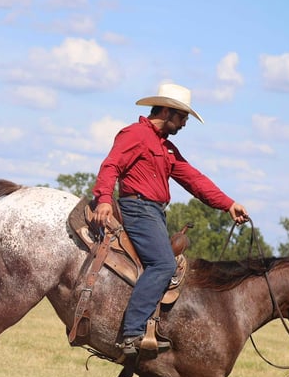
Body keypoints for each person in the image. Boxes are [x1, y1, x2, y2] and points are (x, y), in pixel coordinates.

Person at [91, 82, 250, 357]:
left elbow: (194, 179)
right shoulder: (135, 134)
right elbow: (111, 164)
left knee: (173, 265)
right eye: (183, 116)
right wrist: (104, 198)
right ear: (167, 110)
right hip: (138, 208)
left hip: (154, 213)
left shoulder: (167, 148)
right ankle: (132, 333)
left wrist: (228, 204)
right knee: (163, 264)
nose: (185, 122)